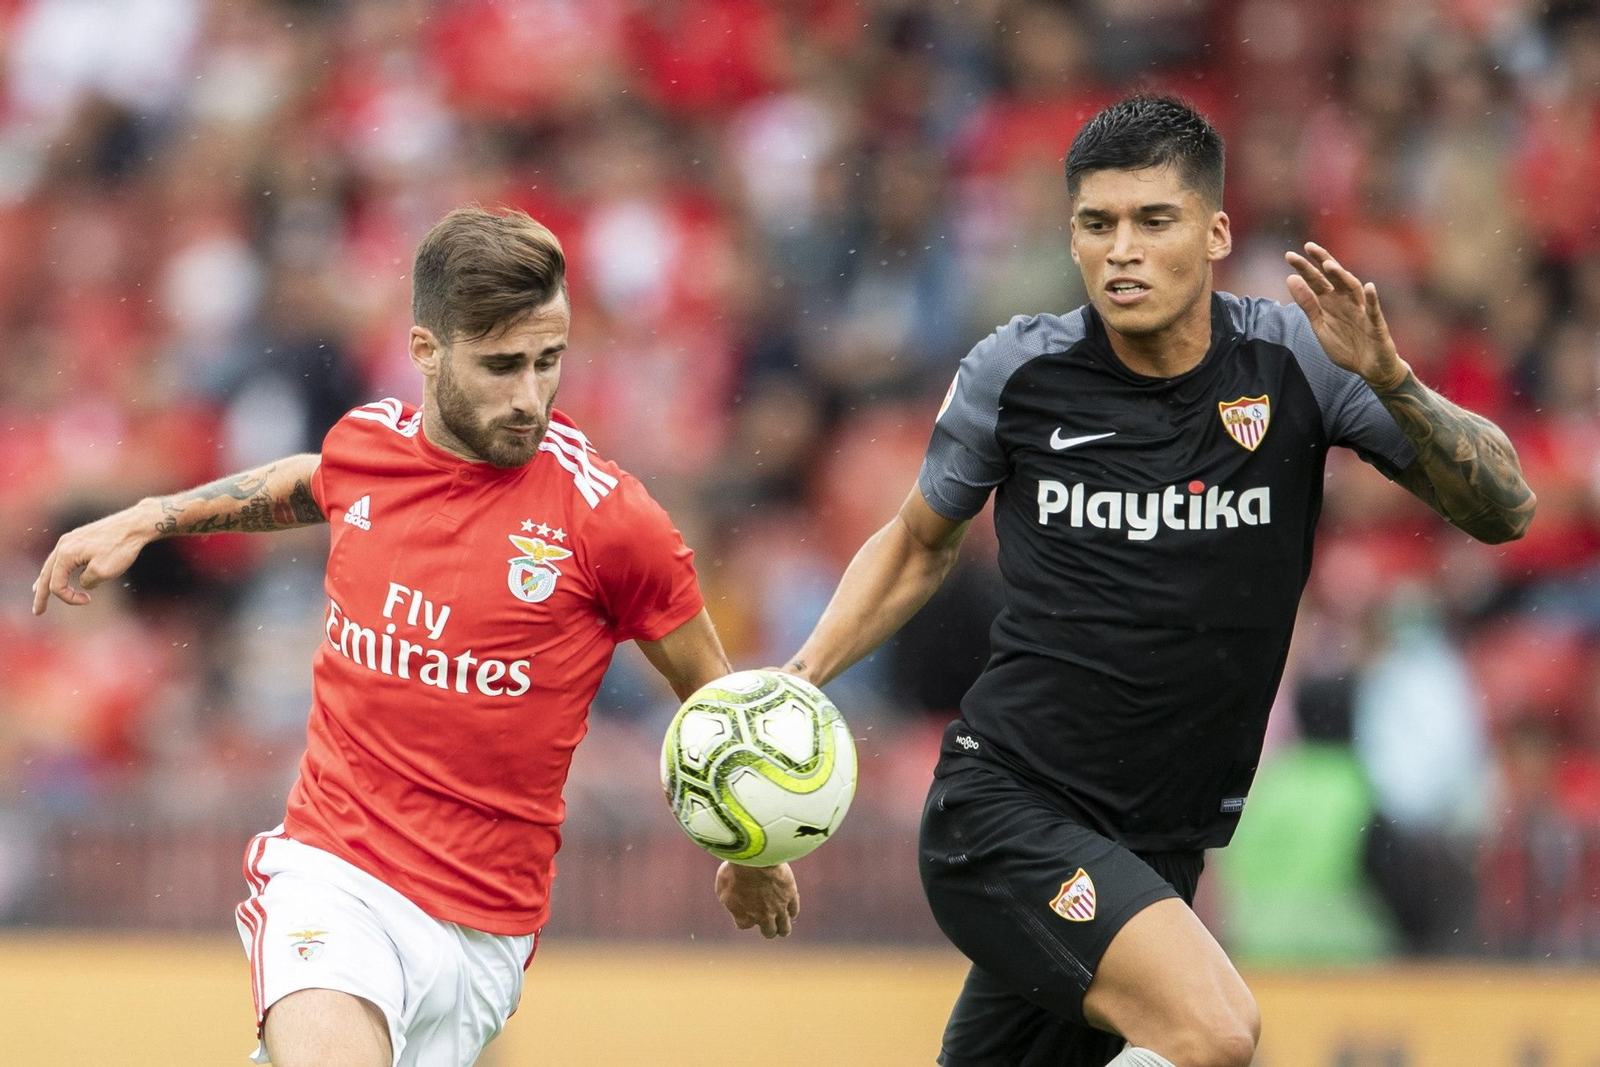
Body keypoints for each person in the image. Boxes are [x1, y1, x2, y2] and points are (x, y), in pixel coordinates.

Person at [779, 96, 1535, 1067]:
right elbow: (917, 541)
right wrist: (800, 675)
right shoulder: (1017, 372)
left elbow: (1505, 508)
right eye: (1097, 224)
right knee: (1214, 1031)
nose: (1121, 249)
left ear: (1215, 231)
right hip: (1008, 810)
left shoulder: (1298, 361)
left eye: (1153, 220)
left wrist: (1392, 381)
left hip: (1156, 847)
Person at [31, 206, 800, 1067]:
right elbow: (306, 485)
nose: (529, 396)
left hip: (483, 939)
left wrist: (755, 846)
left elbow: (716, 694)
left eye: (549, 362)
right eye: (500, 365)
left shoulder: (613, 522)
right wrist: (149, 516)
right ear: (428, 351)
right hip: (333, 875)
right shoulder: (368, 447)